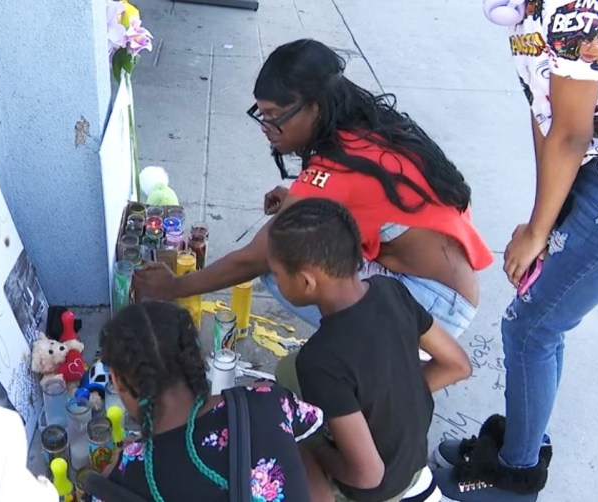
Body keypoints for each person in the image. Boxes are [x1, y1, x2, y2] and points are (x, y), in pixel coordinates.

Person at [433, 1, 598, 500]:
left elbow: (569, 133)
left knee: (532, 327)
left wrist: (539, 230)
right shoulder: (533, 8)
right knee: (539, 321)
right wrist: (542, 217)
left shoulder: (574, 10)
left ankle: (514, 476)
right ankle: (519, 446)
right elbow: (546, 112)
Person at [135, 39, 493, 341]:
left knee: (282, 259)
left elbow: (255, 256)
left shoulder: (337, 173)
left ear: (315, 107)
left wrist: (174, 287)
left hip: (434, 306)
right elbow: (356, 199)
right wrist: (299, 198)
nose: (266, 126)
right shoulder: (366, 129)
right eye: (261, 113)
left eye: (274, 114)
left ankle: (373, 353)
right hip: (450, 287)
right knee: (308, 237)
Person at [267, 198, 473, 502]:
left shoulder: (319, 361)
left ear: (307, 280)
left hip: (377, 491)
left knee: (283, 435)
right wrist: (397, 398)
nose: (276, 281)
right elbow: (458, 365)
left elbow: (368, 476)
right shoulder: (391, 291)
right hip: (411, 463)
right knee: (287, 370)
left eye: (278, 274)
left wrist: (313, 446)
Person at [97, 301, 325, 501]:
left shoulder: (126, 477)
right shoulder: (269, 401)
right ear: (197, 357)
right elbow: (310, 424)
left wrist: (115, 474)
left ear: (117, 381)